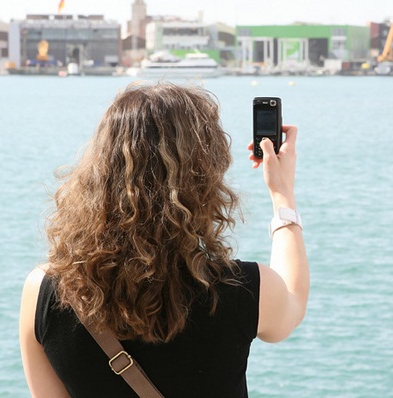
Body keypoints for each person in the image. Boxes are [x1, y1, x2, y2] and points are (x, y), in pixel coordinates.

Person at [19, 82, 309, 397]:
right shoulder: (243, 290)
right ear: (204, 177)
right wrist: (282, 195)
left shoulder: (44, 292)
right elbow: (292, 305)